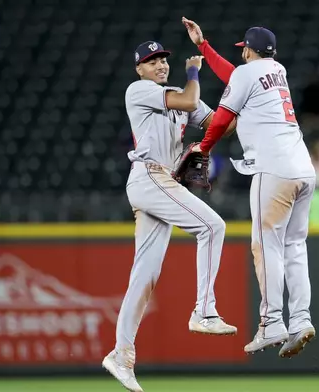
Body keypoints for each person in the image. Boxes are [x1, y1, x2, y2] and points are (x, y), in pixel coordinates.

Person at [101, 40, 237, 392]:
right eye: (151, 61)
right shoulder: (140, 90)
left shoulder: (177, 92)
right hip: (150, 176)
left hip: (162, 180)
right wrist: (194, 69)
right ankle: (204, 311)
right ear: (140, 69)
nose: (160, 64)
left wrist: (238, 101)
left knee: (144, 275)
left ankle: (121, 354)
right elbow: (190, 101)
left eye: (162, 59)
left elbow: (217, 122)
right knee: (213, 226)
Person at [182, 17, 316, 358]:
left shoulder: (248, 72)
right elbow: (235, 77)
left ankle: (272, 323)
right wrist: (204, 47)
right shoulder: (277, 71)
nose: (241, 56)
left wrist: (204, 147)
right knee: (294, 246)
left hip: (273, 169)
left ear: (249, 52)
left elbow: (224, 117)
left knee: (264, 245)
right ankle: (300, 319)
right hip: (303, 168)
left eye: (244, 51)